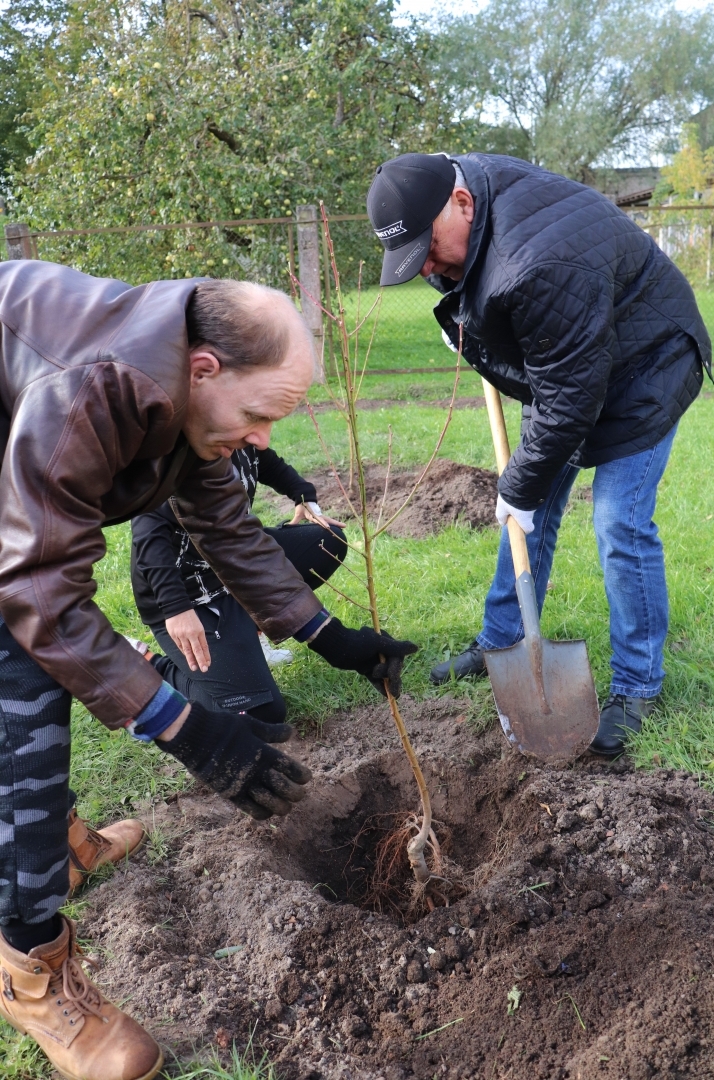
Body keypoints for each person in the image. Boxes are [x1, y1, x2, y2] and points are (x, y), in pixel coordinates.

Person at [0, 263, 416, 1080]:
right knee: (25, 685)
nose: (264, 439)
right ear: (205, 369)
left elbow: (231, 532)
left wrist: (332, 637)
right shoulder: (98, 391)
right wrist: (185, 727)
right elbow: (38, 591)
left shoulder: (175, 388)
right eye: (260, 414)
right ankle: (28, 967)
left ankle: (58, 840)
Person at [367, 152, 711, 757]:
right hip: (570, 361)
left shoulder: (539, 261)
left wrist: (519, 485)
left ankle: (638, 686)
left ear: (463, 204)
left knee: (617, 521)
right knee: (531, 505)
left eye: (427, 247)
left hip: (647, 364)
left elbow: (570, 399)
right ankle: (503, 640)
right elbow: (550, 366)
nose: (424, 265)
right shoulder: (462, 196)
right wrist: (466, 321)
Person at [130, 444, 347, 719]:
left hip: (232, 565)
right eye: (257, 418)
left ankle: (249, 632)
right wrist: (175, 609)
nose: (264, 436)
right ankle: (147, 665)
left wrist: (303, 496)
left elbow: (266, 462)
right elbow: (146, 535)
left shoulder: (244, 436)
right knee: (260, 714)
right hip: (185, 594)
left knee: (326, 541)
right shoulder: (176, 454)